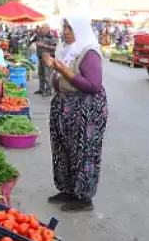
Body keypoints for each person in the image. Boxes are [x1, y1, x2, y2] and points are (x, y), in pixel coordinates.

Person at [42, 16, 107, 212]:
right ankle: (68, 189)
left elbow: (93, 85)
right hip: (65, 107)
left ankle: (84, 197)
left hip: (85, 111)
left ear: (80, 29)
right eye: (65, 28)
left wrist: (63, 70)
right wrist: (54, 68)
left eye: (70, 28)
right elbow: (60, 78)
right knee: (64, 150)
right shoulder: (68, 50)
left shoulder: (89, 52)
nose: (66, 32)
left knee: (83, 152)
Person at [33, 24, 57, 96]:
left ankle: (49, 90)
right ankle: (41, 89)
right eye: (41, 28)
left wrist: (44, 45)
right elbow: (33, 39)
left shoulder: (51, 36)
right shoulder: (40, 35)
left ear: (48, 29)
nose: (41, 29)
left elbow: (54, 48)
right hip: (40, 57)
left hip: (48, 58)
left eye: (43, 28)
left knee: (47, 75)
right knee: (41, 74)